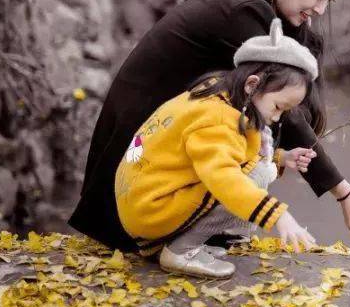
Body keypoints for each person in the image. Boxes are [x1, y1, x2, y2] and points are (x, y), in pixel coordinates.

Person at [70, 0, 350, 251]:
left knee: (253, 148)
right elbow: (283, 108)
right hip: (137, 156)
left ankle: (191, 232)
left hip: (151, 146)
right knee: (255, 168)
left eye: (330, 0)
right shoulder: (243, 12)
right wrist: (344, 193)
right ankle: (177, 243)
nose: (320, 10)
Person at [116, 19, 318, 278]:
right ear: (252, 84)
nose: (278, 118)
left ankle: (176, 243)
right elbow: (224, 176)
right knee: (252, 178)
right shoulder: (219, 118)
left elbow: (228, 152)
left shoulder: (218, 93)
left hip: (146, 200)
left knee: (255, 169)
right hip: (151, 209)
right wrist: (279, 216)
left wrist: (280, 158)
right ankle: (181, 251)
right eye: (278, 107)